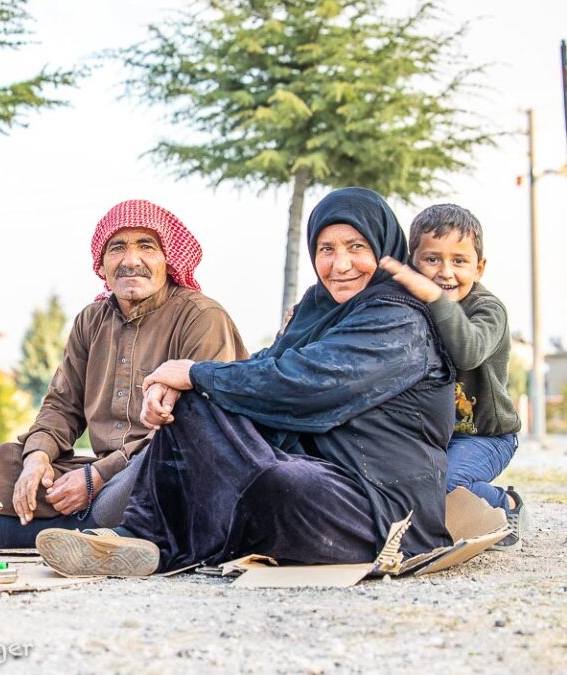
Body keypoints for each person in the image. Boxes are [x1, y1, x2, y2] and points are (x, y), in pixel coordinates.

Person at [35, 187, 456, 577]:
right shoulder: (317, 307)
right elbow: (266, 366)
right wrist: (183, 383)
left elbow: (308, 383)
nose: (340, 264)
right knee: (196, 403)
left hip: (383, 506)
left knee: (277, 484)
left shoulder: (399, 319)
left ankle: (171, 533)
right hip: (319, 476)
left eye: (356, 248)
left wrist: (193, 371)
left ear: (384, 251)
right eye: (326, 249)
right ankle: (140, 538)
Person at [0, 199, 247, 548]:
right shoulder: (91, 321)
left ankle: (92, 526)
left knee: (142, 479)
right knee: (7, 463)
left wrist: (98, 477)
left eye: (146, 247)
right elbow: (61, 407)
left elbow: (198, 426)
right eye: (117, 248)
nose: (130, 261)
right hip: (110, 477)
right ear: (102, 263)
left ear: (168, 259)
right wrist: (38, 459)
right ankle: (109, 531)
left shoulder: (201, 317)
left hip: (169, 464)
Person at [380, 204, 525, 550]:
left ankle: (507, 503)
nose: (445, 272)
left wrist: (432, 297)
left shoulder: (488, 309)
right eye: (432, 260)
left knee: (445, 484)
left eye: (459, 261)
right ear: (412, 262)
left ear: (480, 267)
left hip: (487, 435)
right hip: (437, 435)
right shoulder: (409, 306)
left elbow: (469, 351)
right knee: (406, 483)